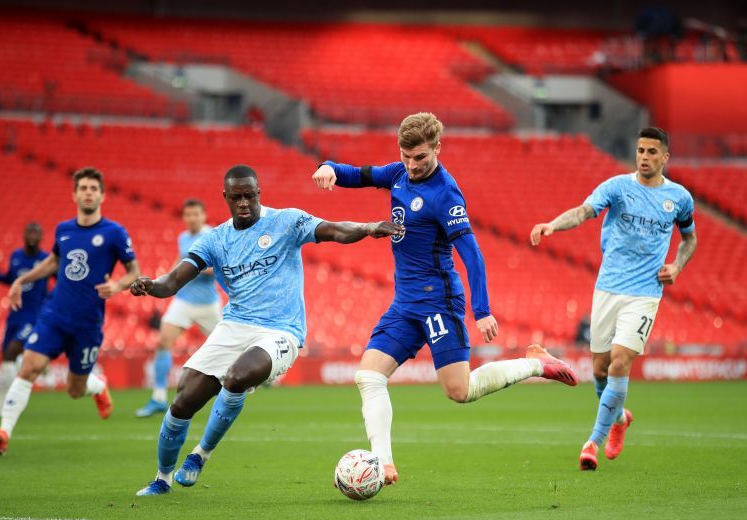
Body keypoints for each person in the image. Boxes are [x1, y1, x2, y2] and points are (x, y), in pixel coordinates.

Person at [311, 112, 578, 486]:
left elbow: (472, 254)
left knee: (459, 391)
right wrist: (329, 168)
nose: (412, 165)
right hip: (405, 303)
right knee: (368, 376)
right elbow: (359, 174)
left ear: (438, 147)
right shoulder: (399, 174)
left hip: (439, 301)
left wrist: (481, 310)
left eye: (420, 157)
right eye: (405, 156)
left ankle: (535, 364)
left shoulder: (446, 193)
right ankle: (382, 464)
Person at [131, 164, 402, 496]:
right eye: (236, 198)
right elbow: (173, 281)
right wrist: (150, 286)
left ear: (259, 193)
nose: (244, 203)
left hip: (282, 330)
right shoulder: (214, 240)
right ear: (226, 198)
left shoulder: (286, 222)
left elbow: (334, 230)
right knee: (183, 401)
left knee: (238, 376)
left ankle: (200, 454)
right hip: (234, 326)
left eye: (249, 196)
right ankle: (161, 479)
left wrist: (368, 227)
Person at [530, 127, 697, 470]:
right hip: (607, 288)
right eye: (640, 150)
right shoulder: (617, 187)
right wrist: (552, 225)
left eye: (652, 152)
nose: (645, 157)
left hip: (645, 293)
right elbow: (583, 211)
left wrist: (677, 266)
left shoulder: (679, 198)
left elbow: (689, 239)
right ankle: (619, 418)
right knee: (600, 369)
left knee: (620, 360)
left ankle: (592, 441)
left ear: (665, 157)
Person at [0, 167, 141, 456]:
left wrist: (117, 285)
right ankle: (4, 431)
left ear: (102, 195)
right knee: (29, 367)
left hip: (87, 323)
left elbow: (134, 271)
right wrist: (21, 279)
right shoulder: (63, 230)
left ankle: (97, 386)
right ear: (74, 194)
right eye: (83, 188)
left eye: (93, 188)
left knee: (74, 389)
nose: (88, 193)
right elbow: (53, 263)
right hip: (54, 314)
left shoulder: (114, 233)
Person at [136, 199, 221, 418]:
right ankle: (158, 398)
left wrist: (193, 268)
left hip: (208, 304)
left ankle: (253, 379)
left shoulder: (213, 235)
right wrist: (160, 282)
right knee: (163, 341)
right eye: (188, 215)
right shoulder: (183, 238)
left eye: (196, 214)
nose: (192, 218)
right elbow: (177, 264)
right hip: (183, 301)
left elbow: (219, 267)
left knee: (229, 346)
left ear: (203, 216)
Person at [0, 222, 49, 419]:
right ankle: (0, 404)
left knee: (10, 353)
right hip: (14, 315)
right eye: (30, 232)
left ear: (41, 237)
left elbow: (58, 283)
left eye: (37, 233)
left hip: (32, 316)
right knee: (6, 361)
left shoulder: (46, 260)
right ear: (24, 235)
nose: (33, 236)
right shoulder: (16, 256)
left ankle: (4, 407)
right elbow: (9, 279)